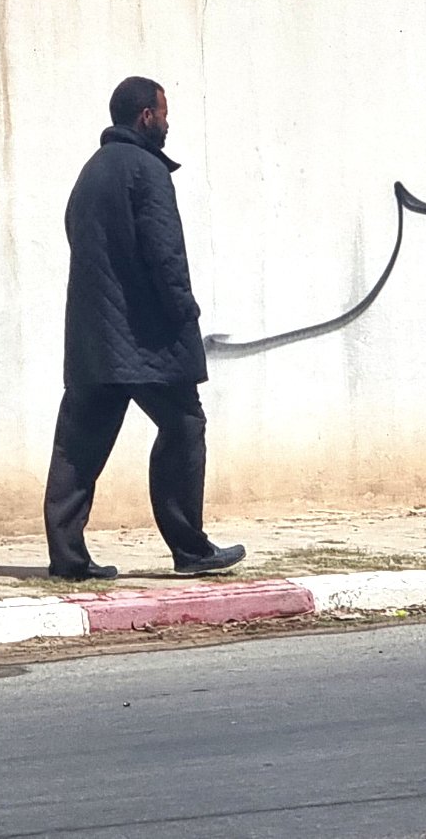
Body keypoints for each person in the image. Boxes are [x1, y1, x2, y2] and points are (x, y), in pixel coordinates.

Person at [42, 76, 246, 580]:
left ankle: (67, 559)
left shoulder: (90, 173)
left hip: (92, 339)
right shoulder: (147, 171)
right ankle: (191, 550)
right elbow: (164, 251)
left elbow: (76, 235)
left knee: (79, 444)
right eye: (164, 112)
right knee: (184, 426)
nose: (169, 122)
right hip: (146, 337)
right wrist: (184, 311)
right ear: (145, 117)